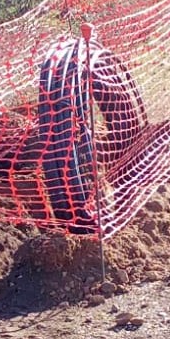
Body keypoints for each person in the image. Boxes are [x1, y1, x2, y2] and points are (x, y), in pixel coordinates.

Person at [36, 33, 146, 234]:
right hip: (75, 154)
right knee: (69, 148)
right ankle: (81, 212)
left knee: (81, 150)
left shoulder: (94, 64)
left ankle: (91, 201)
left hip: (92, 157)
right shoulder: (64, 94)